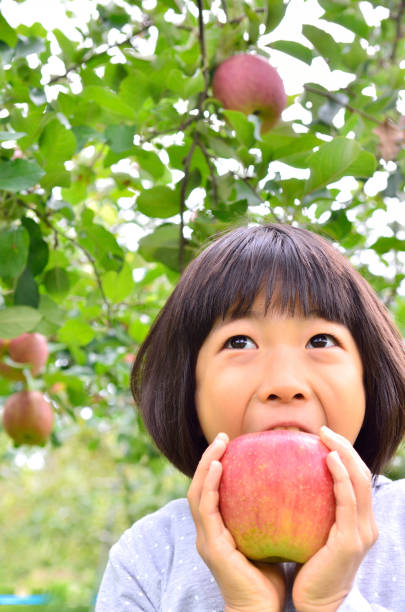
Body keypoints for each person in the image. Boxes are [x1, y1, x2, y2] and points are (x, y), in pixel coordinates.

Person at [95, 223, 405, 612]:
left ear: (369, 377)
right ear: (188, 387)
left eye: (321, 341)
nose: (284, 383)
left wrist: (332, 603)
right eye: (239, 342)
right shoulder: (149, 558)